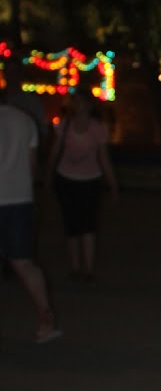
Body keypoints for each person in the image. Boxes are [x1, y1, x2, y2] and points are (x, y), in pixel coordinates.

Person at [0, 67, 60, 344]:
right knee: (24, 262)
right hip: (19, 198)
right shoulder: (25, 121)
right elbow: (32, 164)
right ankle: (45, 317)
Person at [47, 91, 118, 280]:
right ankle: (75, 266)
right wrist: (49, 174)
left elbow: (104, 158)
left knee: (88, 223)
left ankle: (88, 268)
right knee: (71, 222)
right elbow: (55, 151)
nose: (77, 106)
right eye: (75, 102)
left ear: (89, 106)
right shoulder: (65, 125)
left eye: (80, 102)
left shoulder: (97, 128)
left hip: (90, 180)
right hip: (67, 178)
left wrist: (112, 184)